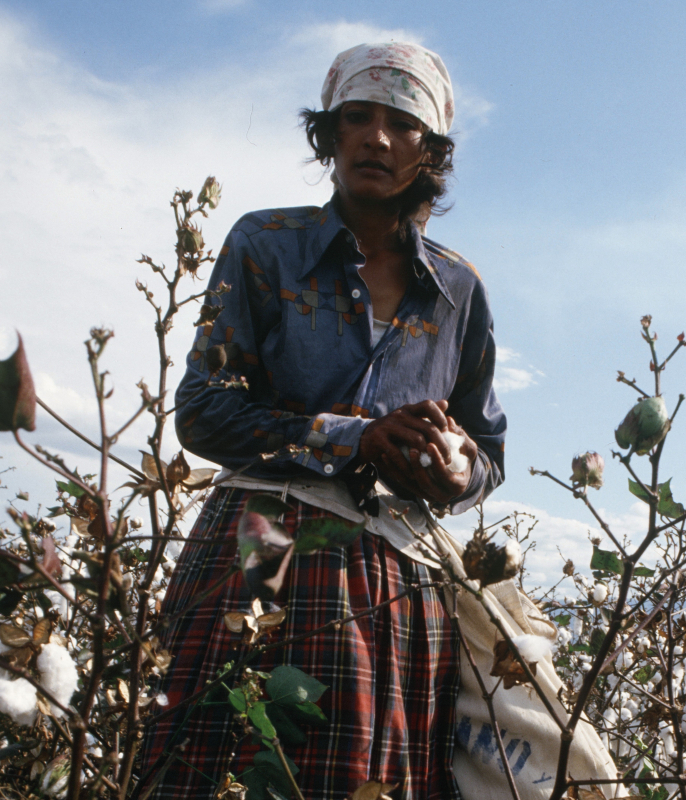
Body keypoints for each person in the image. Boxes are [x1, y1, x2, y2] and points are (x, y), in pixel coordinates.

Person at [139, 42, 506, 800]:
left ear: (430, 151)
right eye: (357, 118)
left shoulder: (458, 289)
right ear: (328, 136)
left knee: (369, 775)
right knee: (226, 758)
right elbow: (204, 411)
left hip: (397, 568)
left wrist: (453, 469)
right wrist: (353, 437)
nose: (376, 137)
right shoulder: (265, 245)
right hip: (262, 536)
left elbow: (487, 452)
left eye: (401, 124)